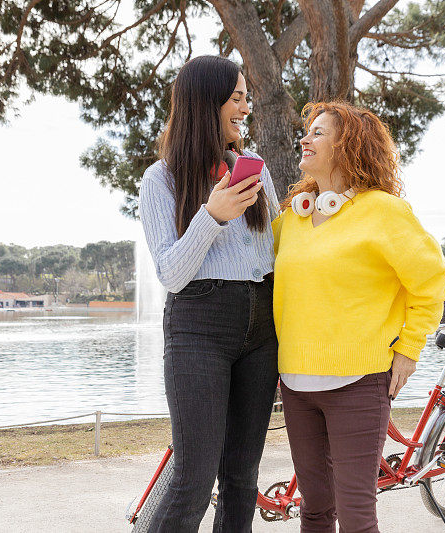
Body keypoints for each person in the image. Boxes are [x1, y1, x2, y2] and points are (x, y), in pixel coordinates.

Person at [272, 101, 445, 533]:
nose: (305, 139)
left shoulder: (384, 211)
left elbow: (431, 283)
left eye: (318, 132)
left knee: (355, 514)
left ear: (348, 144)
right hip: (296, 385)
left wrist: (409, 349)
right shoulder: (291, 217)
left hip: (359, 383)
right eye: (306, 132)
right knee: (314, 509)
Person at [138, 55, 280, 532]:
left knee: (242, 478)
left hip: (263, 326)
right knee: (193, 478)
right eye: (237, 97)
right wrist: (212, 215)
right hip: (199, 325)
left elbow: (282, 251)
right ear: (206, 102)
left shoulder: (254, 170)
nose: (246, 107)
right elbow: (172, 273)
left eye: (247, 97)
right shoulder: (161, 179)